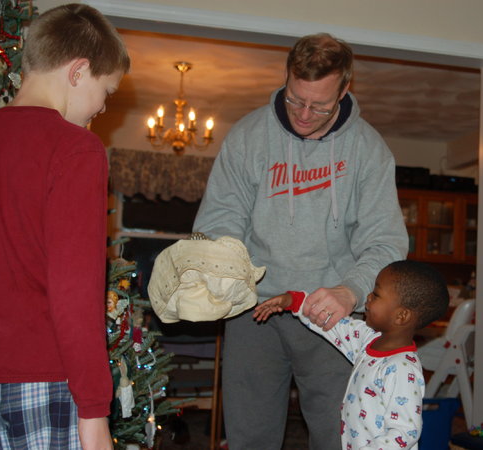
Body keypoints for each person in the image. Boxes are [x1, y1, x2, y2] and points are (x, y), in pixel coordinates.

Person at [193, 32, 408, 449]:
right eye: (295, 99)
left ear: (344, 89)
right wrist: (222, 274)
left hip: (333, 316)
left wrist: (351, 290)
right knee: (249, 438)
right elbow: (220, 221)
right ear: (286, 78)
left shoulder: (369, 150)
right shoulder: (249, 136)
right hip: (254, 312)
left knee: (337, 437)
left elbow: (385, 242)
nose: (304, 114)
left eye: (319, 105)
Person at [0, 4, 130, 449]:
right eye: (106, 91)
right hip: (41, 380)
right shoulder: (76, 150)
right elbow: (75, 291)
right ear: (78, 71)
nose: (102, 107)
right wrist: (94, 411)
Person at [253, 260, 450, 450]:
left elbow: (405, 432)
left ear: (401, 316)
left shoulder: (402, 369)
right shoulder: (368, 340)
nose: (368, 298)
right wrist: (295, 302)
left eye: (376, 294)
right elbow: (332, 323)